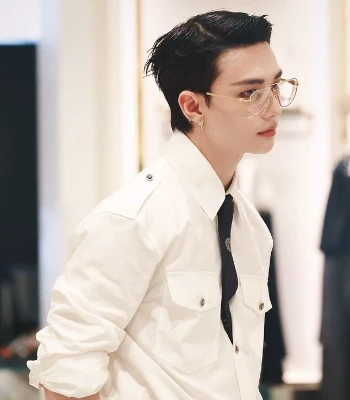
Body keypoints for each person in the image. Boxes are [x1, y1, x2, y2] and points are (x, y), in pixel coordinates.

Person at [27, 10, 298, 400]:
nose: (273, 107)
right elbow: (65, 376)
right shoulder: (133, 220)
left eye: (276, 86)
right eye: (250, 93)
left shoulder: (250, 227)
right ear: (193, 107)